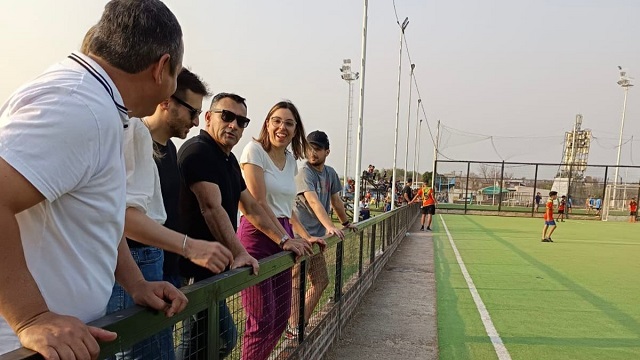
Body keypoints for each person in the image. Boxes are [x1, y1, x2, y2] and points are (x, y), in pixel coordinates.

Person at [0, 0, 188, 357]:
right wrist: (30, 316)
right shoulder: (80, 106)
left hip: (66, 341)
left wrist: (136, 283)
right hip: (27, 348)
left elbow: (98, 211)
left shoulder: (98, 104)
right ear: (162, 67)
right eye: (177, 75)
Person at [107, 69, 234, 360]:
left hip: (160, 266)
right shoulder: (133, 133)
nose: (194, 121)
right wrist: (189, 246)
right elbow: (122, 217)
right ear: (166, 101)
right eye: (192, 111)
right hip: (134, 263)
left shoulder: (170, 149)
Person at [178, 94, 312, 359]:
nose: (233, 125)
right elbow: (212, 208)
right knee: (196, 341)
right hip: (191, 264)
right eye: (226, 117)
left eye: (241, 120)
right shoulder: (199, 151)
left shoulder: (226, 159)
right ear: (208, 117)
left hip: (215, 262)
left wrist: (288, 239)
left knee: (222, 337)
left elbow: (250, 205)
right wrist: (241, 250)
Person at [238, 100, 320, 360]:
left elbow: (288, 208)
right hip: (257, 233)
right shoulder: (254, 151)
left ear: (296, 130)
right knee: (261, 320)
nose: (281, 127)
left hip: (282, 231)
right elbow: (258, 203)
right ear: (267, 123)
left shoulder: (290, 160)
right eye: (276, 120)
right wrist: (284, 239)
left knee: (281, 317)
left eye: (289, 123)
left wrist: (304, 236)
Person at [288, 130, 356, 339]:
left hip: (316, 238)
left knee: (321, 281)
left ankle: (298, 322)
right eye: (309, 148)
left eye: (317, 149)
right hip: (300, 236)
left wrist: (345, 222)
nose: (312, 152)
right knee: (297, 282)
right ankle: (294, 326)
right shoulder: (304, 172)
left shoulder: (330, 173)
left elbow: (335, 201)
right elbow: (313, 201)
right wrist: (329, 226)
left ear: (327, 151)